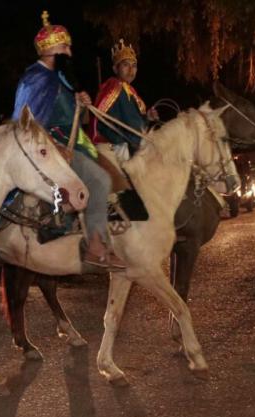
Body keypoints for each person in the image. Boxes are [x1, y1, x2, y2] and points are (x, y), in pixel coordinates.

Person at [12, 11, 125, 269]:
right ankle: (95, 245)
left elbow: (68, 116)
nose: (70, 50)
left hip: (68, 143)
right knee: (99, 179)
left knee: (108, 175)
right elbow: (25, 123)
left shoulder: (57, 78)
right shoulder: (35, 79)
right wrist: (54, 147)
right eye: (66, 46)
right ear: (53, 50)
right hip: (47, 148)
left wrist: (80, 104)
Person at [89, 38, 158, 166]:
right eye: (126, 65)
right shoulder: (115, 87)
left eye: (134, 65)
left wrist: (147, 118)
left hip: (132, 142)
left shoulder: (130, 91)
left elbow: (135, 124)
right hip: (118, 145)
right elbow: (106, 122)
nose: (131, 70)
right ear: (116, 69)